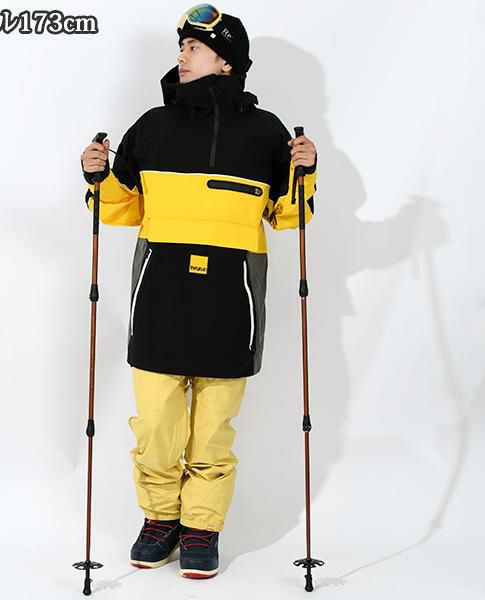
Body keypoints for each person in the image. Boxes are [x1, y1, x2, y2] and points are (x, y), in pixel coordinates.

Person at [80, 3, 318, 580]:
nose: (181, 57)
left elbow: (289, 216)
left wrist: (305, 171)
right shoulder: (152, 127)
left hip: (232, 300)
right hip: (159, 296)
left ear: (226, 61)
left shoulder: (266, 133)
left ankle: (201, 527)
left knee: (213, 429)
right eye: (182, 47)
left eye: (193, 48)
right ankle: (160, 519)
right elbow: (121, 210)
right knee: (156, 425)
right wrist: (98, 176)